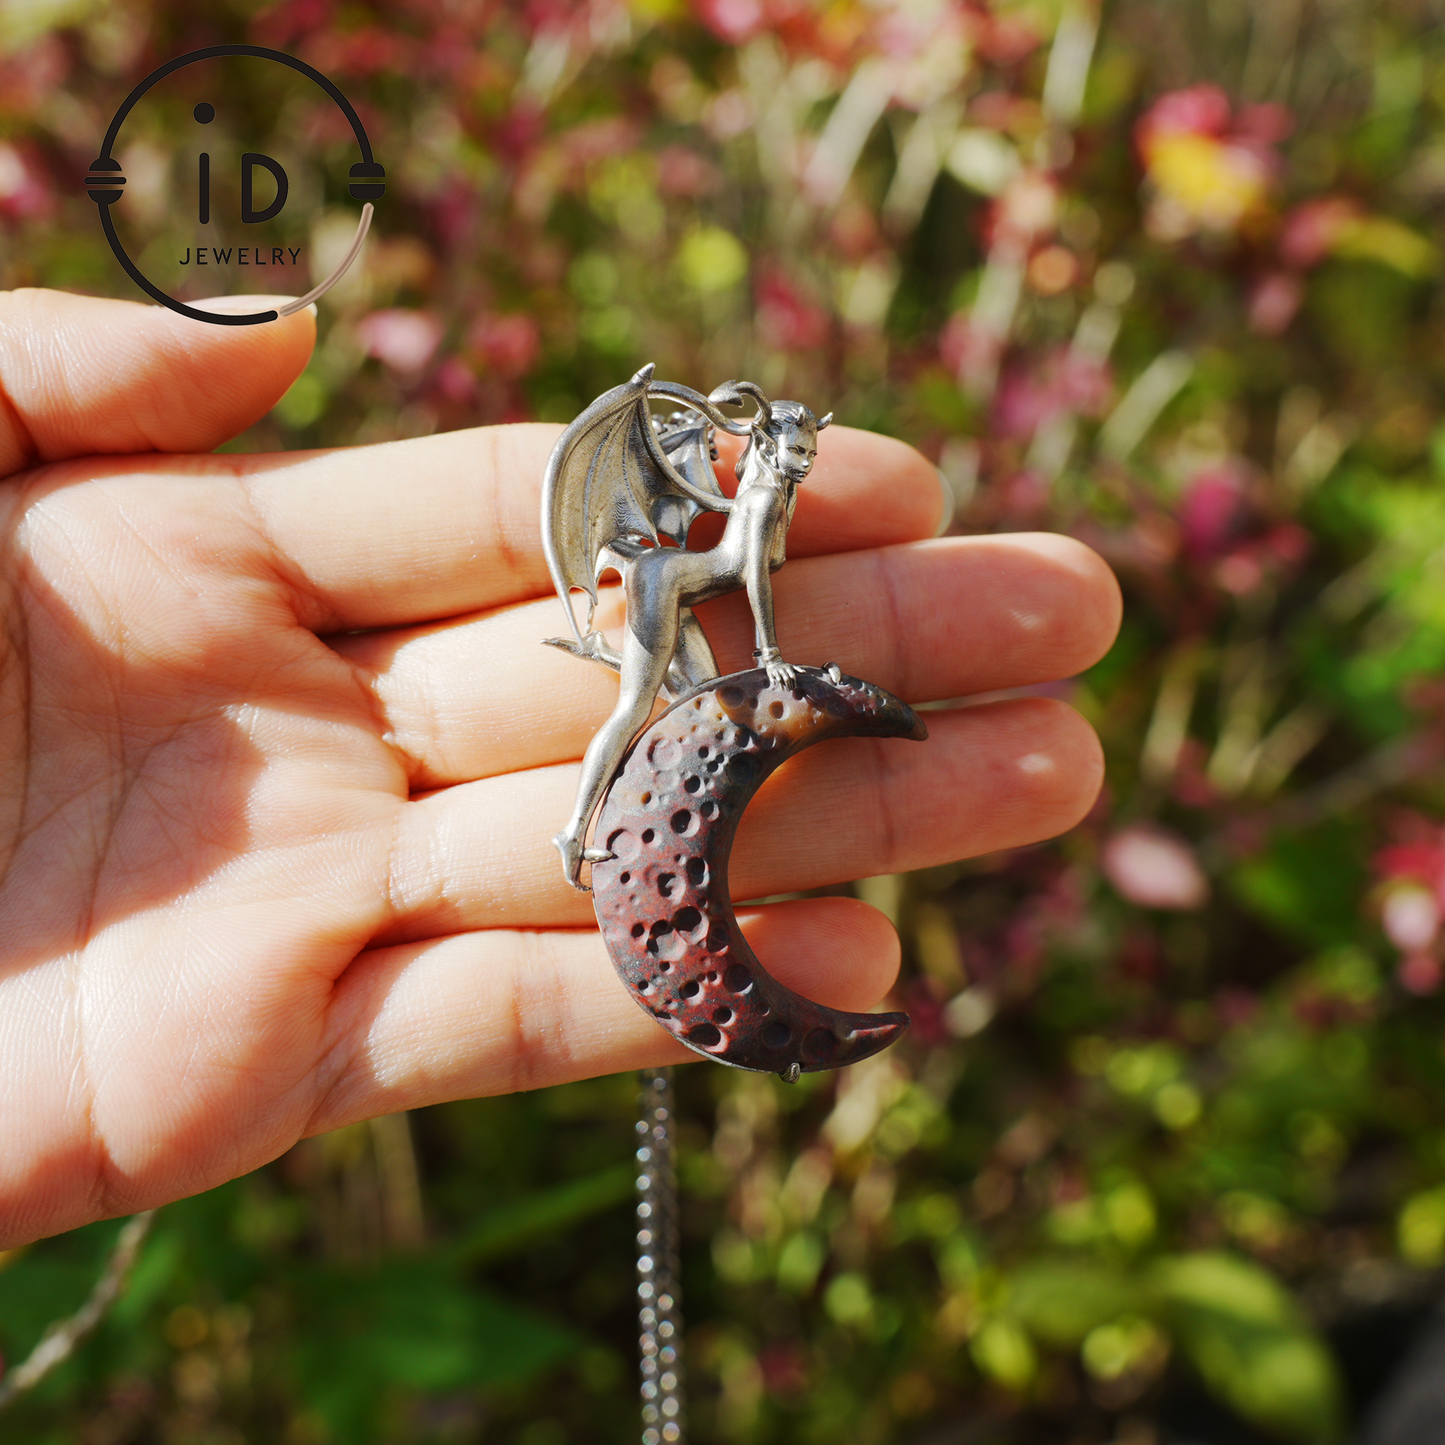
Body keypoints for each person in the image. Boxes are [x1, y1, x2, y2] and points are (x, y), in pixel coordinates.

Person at [0, 287, 1120, 1248]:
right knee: (632, 703)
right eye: (777, 450)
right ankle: (583, 824)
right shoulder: (710, 485)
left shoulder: (752, 492)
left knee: (658, 711)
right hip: (656, 587)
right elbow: (736, 563)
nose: (782, 463)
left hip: (706, 618)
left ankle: (604, 815)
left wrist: (765, 587)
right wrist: (765, 647)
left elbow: (749, 546)